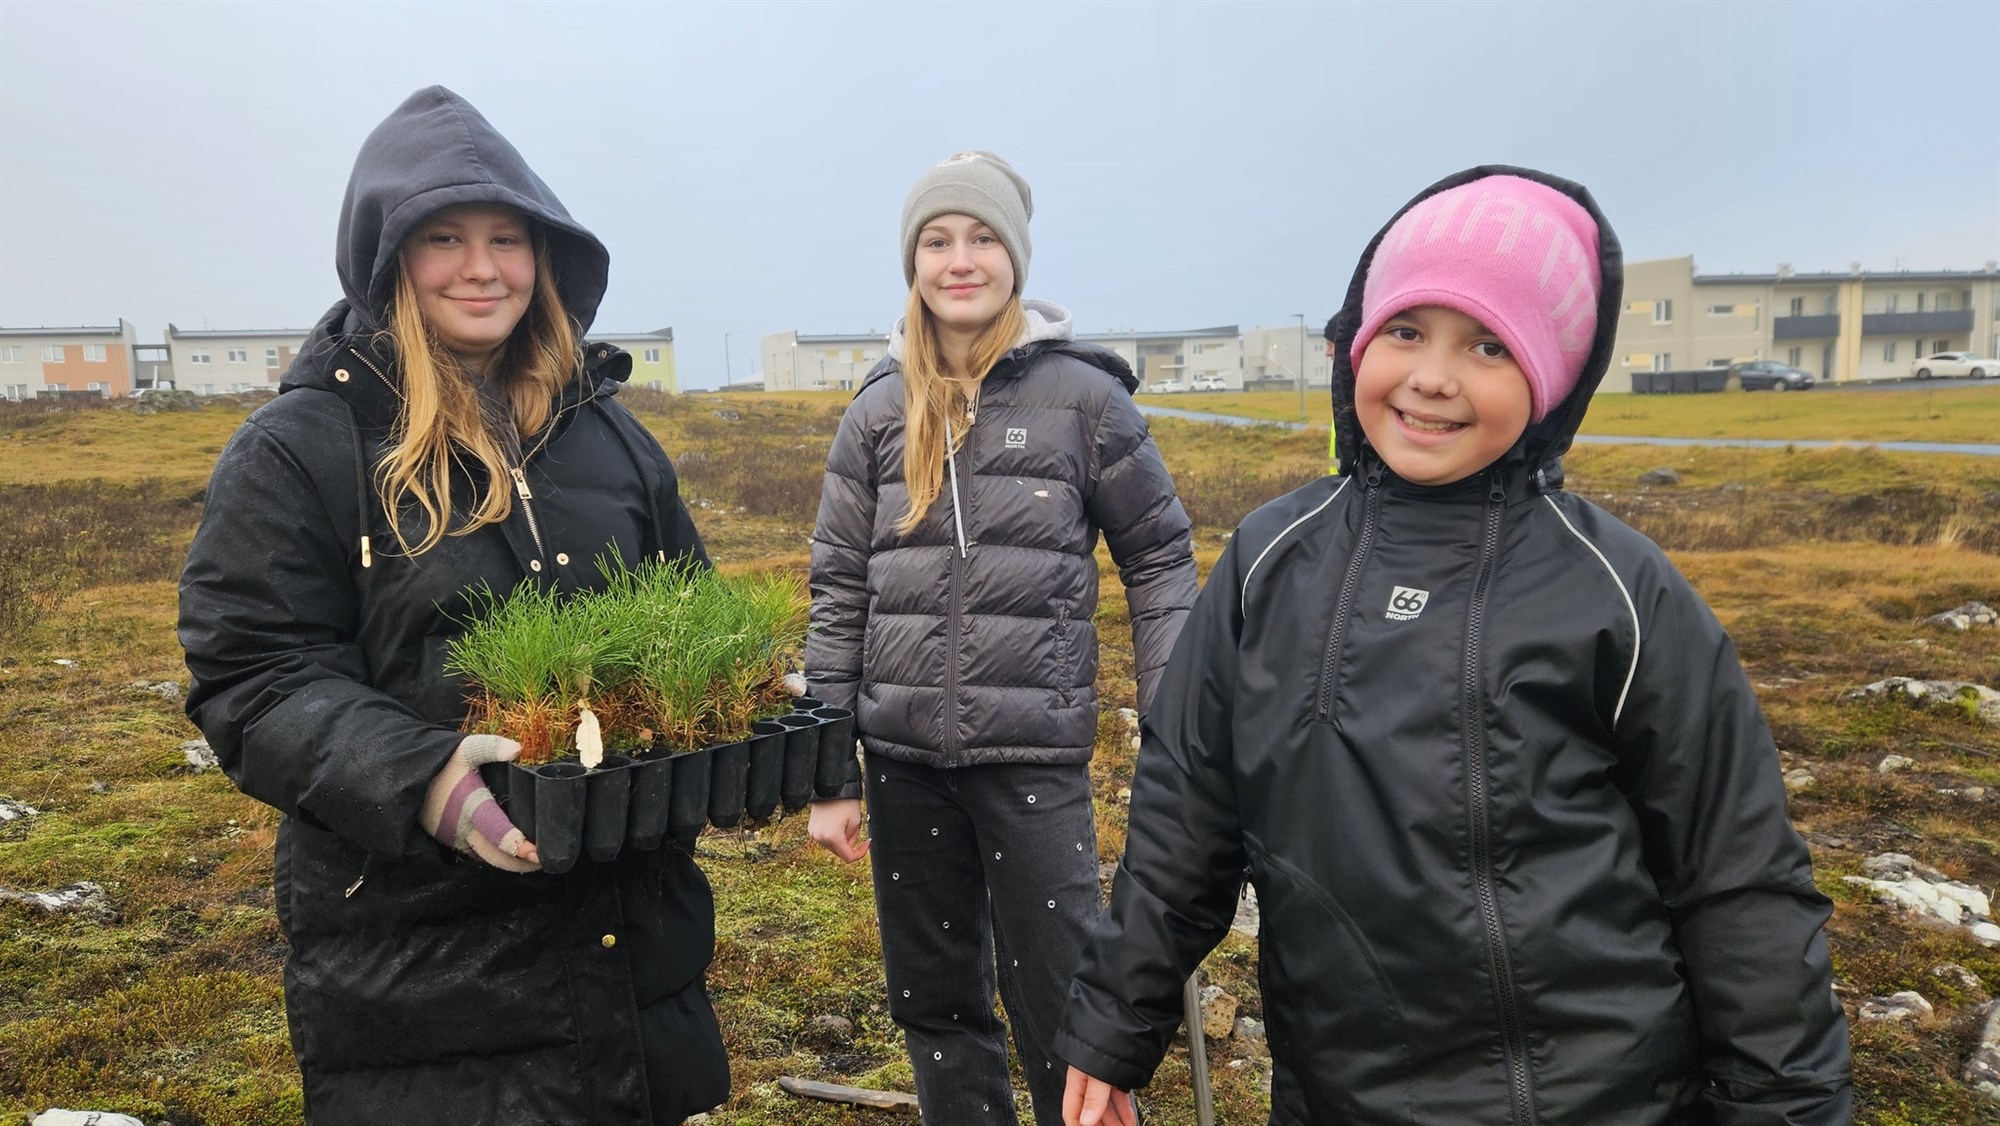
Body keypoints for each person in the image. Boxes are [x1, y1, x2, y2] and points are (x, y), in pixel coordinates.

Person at [1055, 167, 1853, 1125]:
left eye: (1486, 344)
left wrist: (1788, 1107)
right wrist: (1114, 1025)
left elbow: (1737, 879)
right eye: (1405, 331)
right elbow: (1187, 813)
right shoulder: (1271, 560)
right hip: (1335, 1092)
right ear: (1357, 344)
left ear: (1552, 378)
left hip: (1594, 1100)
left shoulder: (1621, 593)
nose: (1433, 376)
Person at [178, 87, 728, 1123]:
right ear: (388, 258)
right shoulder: (305, 447)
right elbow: (252, 672)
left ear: (547, 255)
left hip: (629, 944)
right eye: (443, 237)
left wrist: (731, 689)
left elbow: (684, 605)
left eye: (508, 238)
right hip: (425, 967)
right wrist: (423, 779)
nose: (483, 268)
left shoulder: (606, 436)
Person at [804, 151, 1198, 1124]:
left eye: (980, 238)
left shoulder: (1083, 401)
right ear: (913, 262)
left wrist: (1174, 715)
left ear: (1014, 255)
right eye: (937, 241)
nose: (959, 259)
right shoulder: (876, 414)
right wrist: (826, 772)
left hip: (1032, 761)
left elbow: (1158, 558)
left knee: (1066, 1009)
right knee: (934, 1004)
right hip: (899, 760)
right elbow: (837, 590)